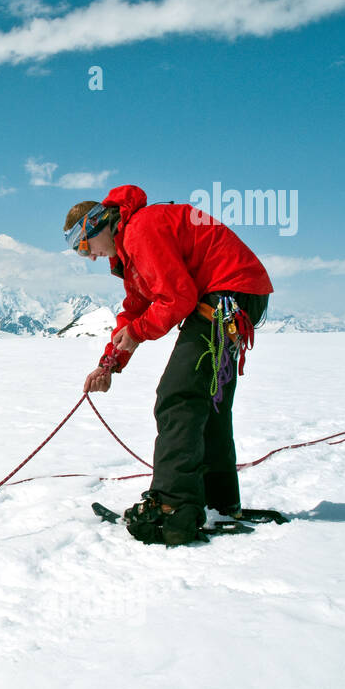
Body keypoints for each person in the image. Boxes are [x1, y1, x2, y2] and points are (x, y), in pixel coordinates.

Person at [63, 185, 274, 545]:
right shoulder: (132, 248)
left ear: (98, 225)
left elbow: (177, 298)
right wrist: (109, 363)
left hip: (224, 296)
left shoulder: (141, 230)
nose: (89, 257)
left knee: (177, 397)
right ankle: (220, 503)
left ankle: (173, 508)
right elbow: (136, 309)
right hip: (233, 296)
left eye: (83, 246)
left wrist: (138, 333)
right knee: (208, 401)